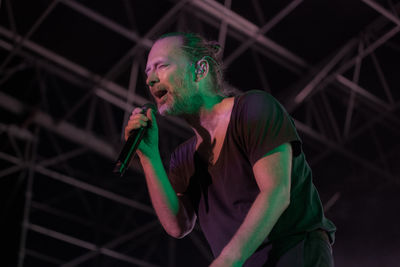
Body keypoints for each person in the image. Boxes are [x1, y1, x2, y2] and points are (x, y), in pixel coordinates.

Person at [124, 32, 336, 267]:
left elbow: (277, 192)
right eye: (147, 72)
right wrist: (149, 158)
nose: (150, 79)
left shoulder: (253, 109)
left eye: (161, 66)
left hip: (294, 254)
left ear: (199, 70)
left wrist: (228, 259)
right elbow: (177, 226)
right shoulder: (183, 158)